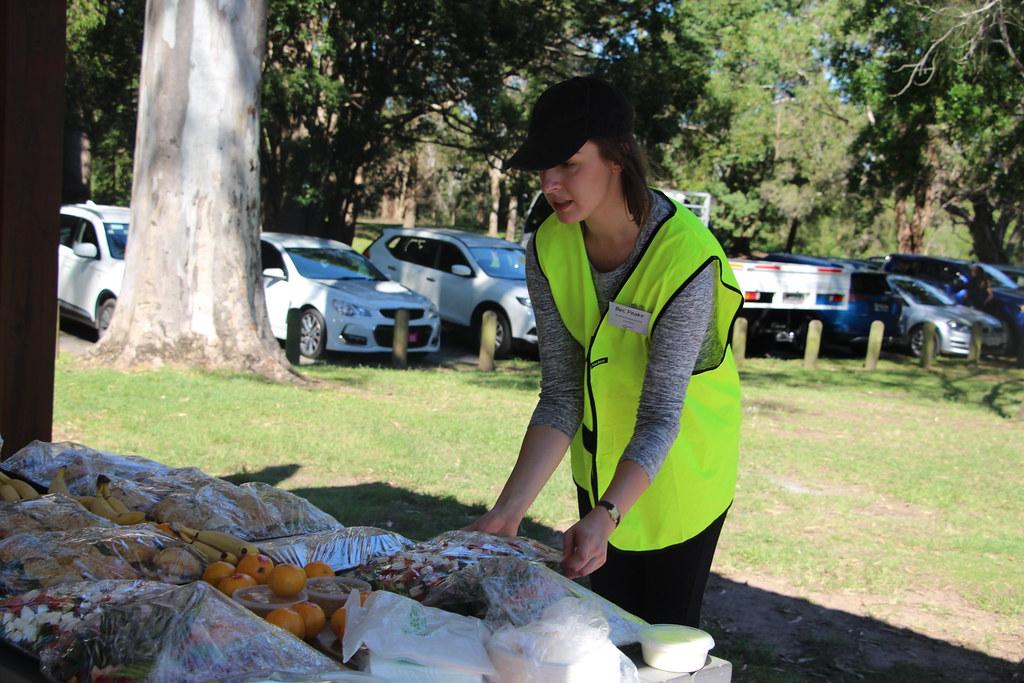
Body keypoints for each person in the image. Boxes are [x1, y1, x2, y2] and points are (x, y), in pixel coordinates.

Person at [467, 76, 743, 628]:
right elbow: (563, 392)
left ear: (618, 156)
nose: (550, 182)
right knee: (606, 638)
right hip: (600, 476)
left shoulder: (685, 259)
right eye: (543, 167)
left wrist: (608, 513)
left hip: (683, 479)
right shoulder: (549, 244)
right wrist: (508, 512)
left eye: (568, 163)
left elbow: (664, 414)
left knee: (660, 648)